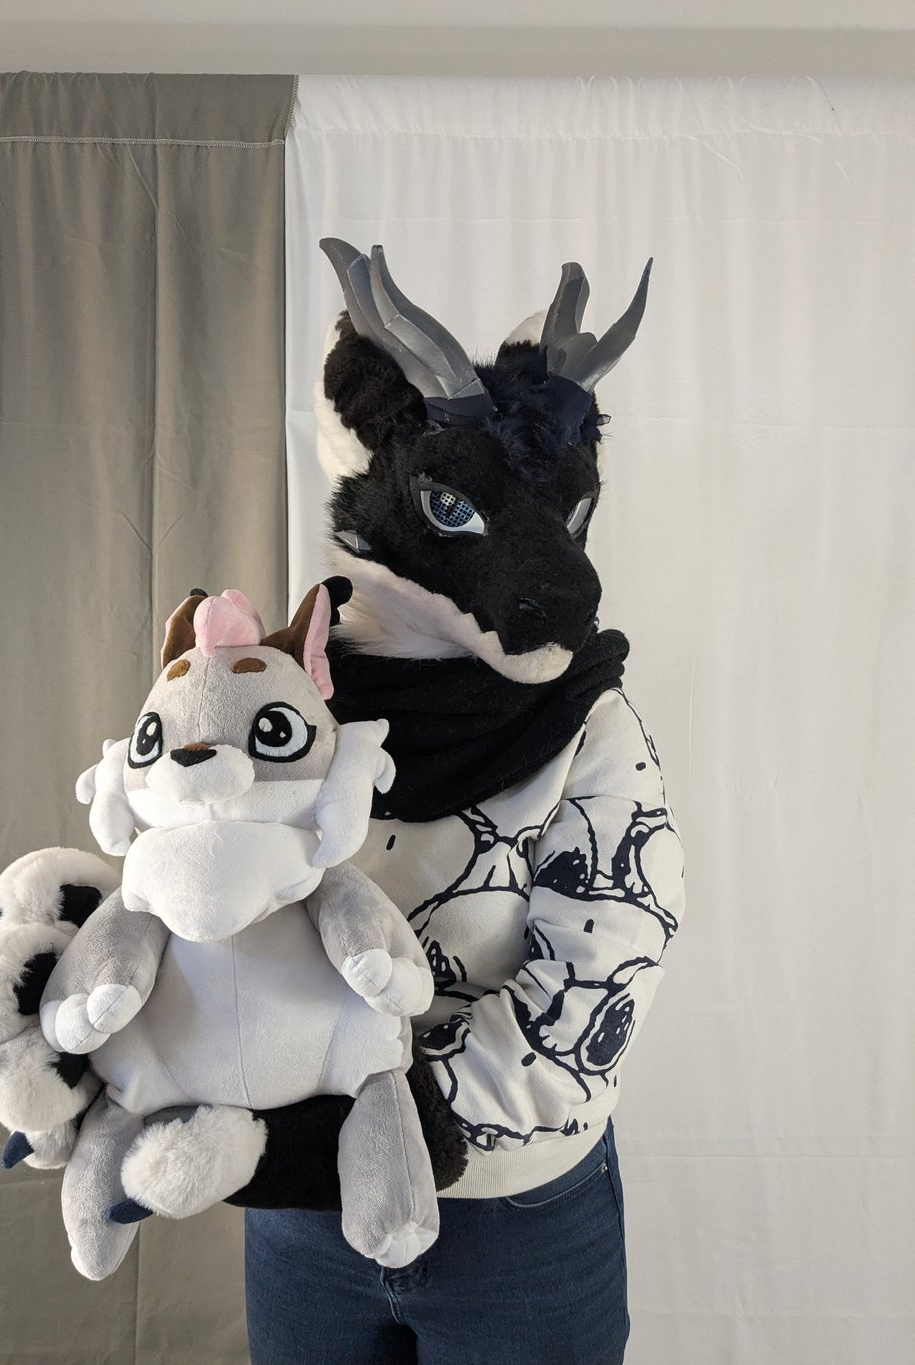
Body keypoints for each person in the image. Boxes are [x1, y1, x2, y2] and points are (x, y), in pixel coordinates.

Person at [240, 242, 685, 1364]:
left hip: (510, 1219)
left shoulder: (588, 727)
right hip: (306, 1217)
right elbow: (214, 907)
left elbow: (602, 969)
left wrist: (353, 1114)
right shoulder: (280, 703)